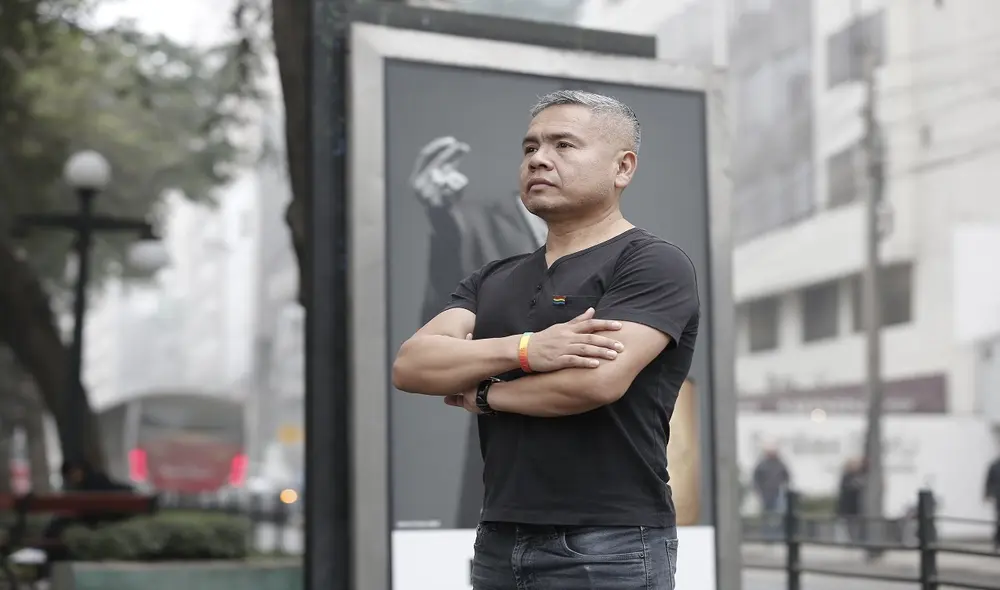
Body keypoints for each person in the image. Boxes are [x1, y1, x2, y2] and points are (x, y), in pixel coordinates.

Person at [393, 90, 699, 590]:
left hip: (610, 541)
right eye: (530, 147)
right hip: (498, 535)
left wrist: (487, 393)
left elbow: (594, 383)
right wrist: (527, 349)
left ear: (623, 168)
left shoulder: (651, 263)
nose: (539, 159)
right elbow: (413, 365)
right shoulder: (492, 278)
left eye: (563, 145)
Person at [409, 135, 546, 527]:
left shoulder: (621, 247)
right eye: (535, 147)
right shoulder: (476, 222)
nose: (547, 160)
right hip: (507, 437)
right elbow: (442, 316)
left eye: (568, 145)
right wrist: (442, 220)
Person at [752, 445, 789, 539]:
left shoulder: (780, 464)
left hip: (778, 494)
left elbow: (787, 476)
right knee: (767, 515)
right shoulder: (762, 465)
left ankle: (777, 535)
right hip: (765, 494)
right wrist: (759, 491)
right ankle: (767, 535)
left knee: (777, 515)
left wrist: (784, 488)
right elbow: (756, 479)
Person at [837, 457, 867, 542]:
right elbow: (851, 487)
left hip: (856, 510)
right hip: (847, 509)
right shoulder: (847, 477)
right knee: (848, 530)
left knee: (856, 529)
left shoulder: (860, 476)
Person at [984, 454, 1000, 552]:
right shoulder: (994, 466)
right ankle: (997, 541)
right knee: (998, 519)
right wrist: (988, 494)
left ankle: (996, 541)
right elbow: (989, 481)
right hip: (999, 496)